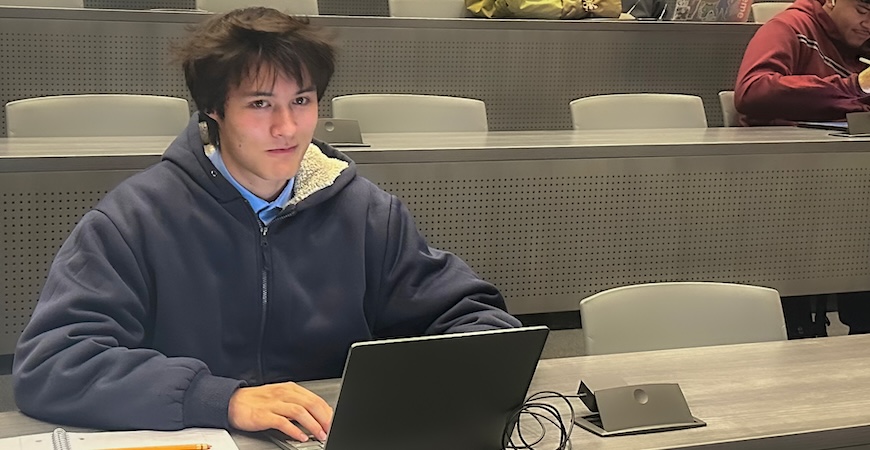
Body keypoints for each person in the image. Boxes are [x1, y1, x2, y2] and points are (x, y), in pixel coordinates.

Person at [12, 7, 521, 443]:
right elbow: (54, 364)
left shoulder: (367, 213)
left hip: (323, 436)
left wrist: (405, 398)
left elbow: (478, 322)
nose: (287, 127)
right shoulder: (134, 219)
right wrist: (219, 398)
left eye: (301, 101)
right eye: (260, 104)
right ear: (214, 111)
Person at [734, 0, 870, 126]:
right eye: (862, 12)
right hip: (780, 145)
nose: (868, 25)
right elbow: (752, 92)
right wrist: (857, 85)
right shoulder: (788, 28)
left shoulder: (863, 44)